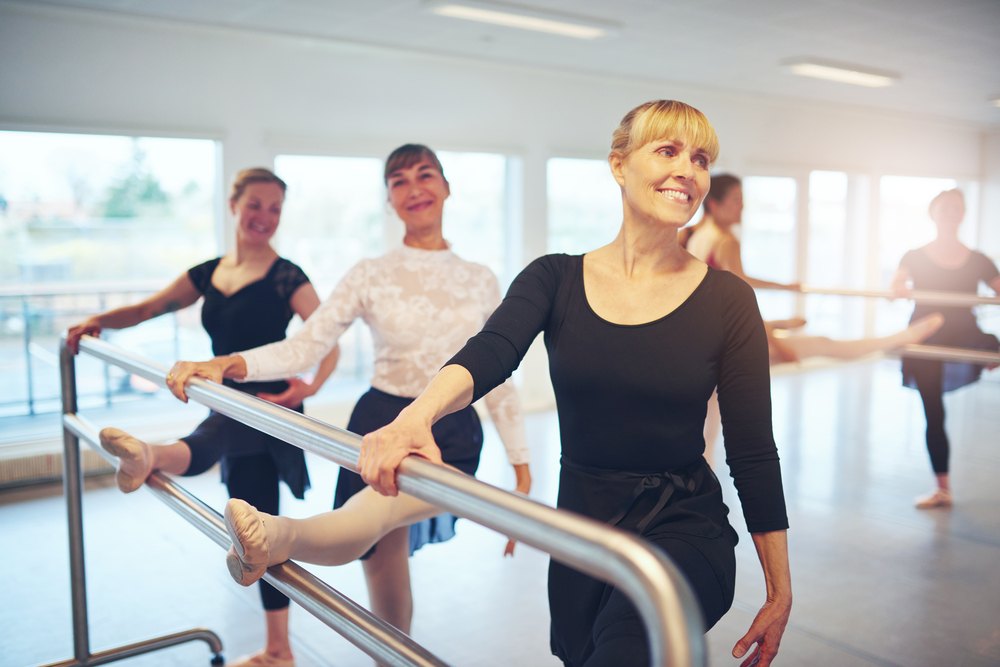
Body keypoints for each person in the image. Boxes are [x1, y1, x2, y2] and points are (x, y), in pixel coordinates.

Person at [236, 101, 788, 667]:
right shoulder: (555, 277)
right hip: (582, 526)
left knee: (627, 649)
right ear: (619, 166)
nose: (688, 171)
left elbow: (752, 450)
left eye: (700, 158)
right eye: (667, 151)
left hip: (683, 526)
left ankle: (287, 537)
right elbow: (491, 354)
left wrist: (779, 589)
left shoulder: (729, 301)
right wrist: (415, 417)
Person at [162, 144, 532, 653]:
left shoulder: (481, 277)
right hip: (378, 422)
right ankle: (392, 657)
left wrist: (521, 465)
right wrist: (228, 364)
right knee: (382, 557)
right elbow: (306, 344)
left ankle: (279, 538)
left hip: (448, 431)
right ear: (389, 199)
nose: (414, 187)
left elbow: (499, 373)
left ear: (446, 187)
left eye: (426, 175)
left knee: (375, 517)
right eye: (399, 180)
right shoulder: (370, 272)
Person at [68, 167, 340, 667]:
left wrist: (309, 386)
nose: (264, 217)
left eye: (275, 208)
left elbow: (326, 341)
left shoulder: (287, 275)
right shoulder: (208, 272)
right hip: (227, 396)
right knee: (255, 525)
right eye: (255, 205)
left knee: (221, 456)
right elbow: (152, 307)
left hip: (269, 406)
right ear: (233, 205)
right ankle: (279, 650)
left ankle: (153, 455)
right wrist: (97, 322)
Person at [683, 173, 944, 465]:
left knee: (707, 429)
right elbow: (742, 300)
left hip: (703, 346)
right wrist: (778, 343)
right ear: (715, 205)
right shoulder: (725, 240)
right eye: (736, 201)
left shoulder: (695, 236)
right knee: (824, 343)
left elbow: (724, 291)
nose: (742, 208)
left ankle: (698, 495)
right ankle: (902, 337)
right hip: (729, 349)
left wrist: (783, 305)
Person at [890, 188, 1000, 509]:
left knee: (993, 345)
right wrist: (897, 288)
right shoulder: (913, 255)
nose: (952, 213)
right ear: (933, 213)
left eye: (957, 208)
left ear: (963, 214)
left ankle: (991, 357)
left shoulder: (978, 259)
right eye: (946, 208)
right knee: (934, 413)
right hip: (925, 336)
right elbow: (895, 284)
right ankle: (943, 489)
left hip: (964, 334)